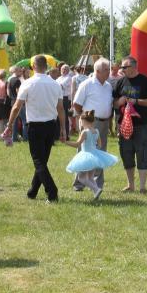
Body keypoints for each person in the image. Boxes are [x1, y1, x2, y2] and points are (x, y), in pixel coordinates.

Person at [4, 55, 65, 203]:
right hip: (51, 125)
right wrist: (63, 128)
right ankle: (32, 192)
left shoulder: (28, 83)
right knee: (42, 161)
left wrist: (9, 125)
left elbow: (16, 107)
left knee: (39, 162)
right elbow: (60, 108)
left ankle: (52, 191)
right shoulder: (55, 84)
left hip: (35, 126)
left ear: (33, 66)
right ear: (46, 66)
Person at [113, 56, 147, 193]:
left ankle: (142, 187)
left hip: (141, 124)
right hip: (124, 125)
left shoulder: (146, 81)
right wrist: (119, 102)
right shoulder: (120, 82)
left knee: (143, 153)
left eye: (124, 67)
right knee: (126, 154)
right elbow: (114, 103)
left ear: (133, 67)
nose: (122, 69)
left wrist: (136, 101)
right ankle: (130, 185)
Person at [71, 59, 113, 192]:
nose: (109, 72)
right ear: (98, 71)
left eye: (108, 69)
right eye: (106, 70)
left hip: (104, 122)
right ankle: (79, 182)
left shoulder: (108, 86)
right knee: (84, 152)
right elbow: (77, 104)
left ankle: (97, 184)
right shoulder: (87, 84)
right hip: (90, 123)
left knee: (100, 152)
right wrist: (84, 120)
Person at [63, 110, 118, 200]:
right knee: (90, 178)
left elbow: (77, 144)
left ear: (84, 121)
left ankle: (96, 189)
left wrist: (66, 142)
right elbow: (99, 145)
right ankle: (96, 193)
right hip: (94, 155)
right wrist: (93, 149)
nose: (80, 123)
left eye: (80, 121)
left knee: (81, 178)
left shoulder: (85, 132)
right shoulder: (96, 131)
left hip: (86, 155)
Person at [7, 66, 28, 142]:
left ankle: (14, 138)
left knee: (14, 121)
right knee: (25, 121)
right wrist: (23, 100)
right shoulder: (17, 81)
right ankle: (25, 138)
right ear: (15, 71)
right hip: (19, 102)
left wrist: (12, 97)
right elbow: (18, 92)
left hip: (12, 102)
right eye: (19, 71)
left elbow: (8, 92)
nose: (21, 72)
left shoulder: (10, 80)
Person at [56, 64, 73, 138]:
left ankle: (66, 135)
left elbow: (60, 86)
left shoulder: (69, 78)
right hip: (58, 98)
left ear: (68, 70)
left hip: (64, 98)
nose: (63, 70)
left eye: (65, 69)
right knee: (57, 116)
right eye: (62, 69)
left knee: (65, 117)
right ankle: (58, 134)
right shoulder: (59, 78)